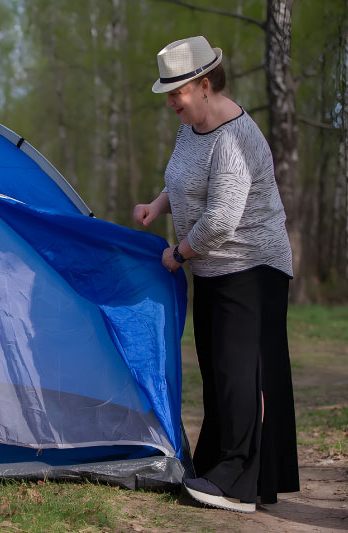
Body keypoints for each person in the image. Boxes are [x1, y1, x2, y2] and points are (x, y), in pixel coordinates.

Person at [134, 36, 299, 513]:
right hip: (213, 267)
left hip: (252, 266)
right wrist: (157, 205)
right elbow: (183, 179)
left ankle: (238, 483)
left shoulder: (235, 136)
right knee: (216, 370)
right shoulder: (193, 125)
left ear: (204, 84)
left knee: (238, 374)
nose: (170, 102)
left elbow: (224, 219)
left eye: (176, 92)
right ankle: (215, 465)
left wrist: (179, 254)